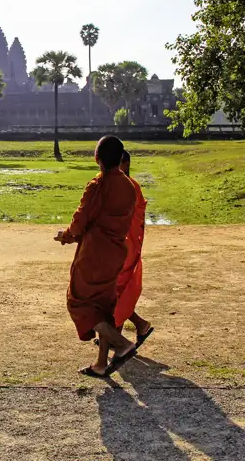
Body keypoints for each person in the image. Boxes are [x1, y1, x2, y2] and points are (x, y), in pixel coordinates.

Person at [55, 135, 138, 378]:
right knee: (104, 308)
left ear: (96, 158)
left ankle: (122, 344)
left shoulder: (98, 185)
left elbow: (81, 220)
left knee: (78, 303)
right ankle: (101, 364)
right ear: (121, 158)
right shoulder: (129, 186)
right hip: (116, 253)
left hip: (94, 254)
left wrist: (66, 235)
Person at [101, 151, 154, 346]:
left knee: (116, 292)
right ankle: (132, 329)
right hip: (119, 245)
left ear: (125, 164)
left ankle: (120, 335)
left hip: (126, 245)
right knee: (116, 292)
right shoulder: (119, 185)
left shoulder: (130, 187)